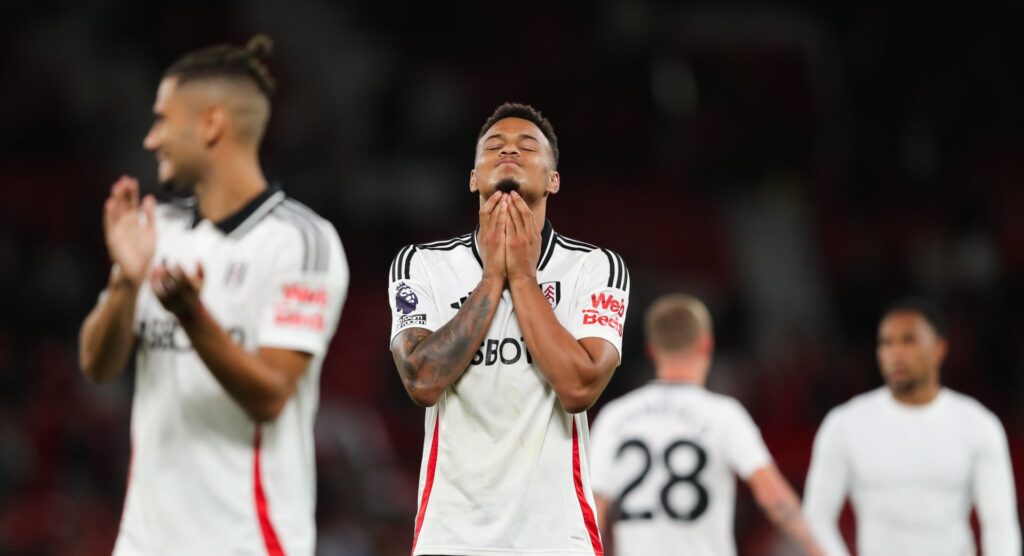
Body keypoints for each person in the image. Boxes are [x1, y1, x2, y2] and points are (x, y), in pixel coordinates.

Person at [78, 36, 348, 555]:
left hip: (249, 541)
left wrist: (192, 316)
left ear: (211, 123)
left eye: (162, 119)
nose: (152, 139)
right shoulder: (159, 230)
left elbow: (269, 396)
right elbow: (97, 365)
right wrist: (126, 283)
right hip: (143, 543)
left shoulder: (301, 242)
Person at [388, 102, 630, 555]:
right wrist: (492, 279)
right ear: (473, 178)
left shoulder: (594, 267)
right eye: (494, 146)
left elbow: (579, 387)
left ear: (553, 180)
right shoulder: (423, 264)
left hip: (556, 535)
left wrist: (522, 278)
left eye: (527, 146)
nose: (509, 152)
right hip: (452, 536)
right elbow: (421, 381)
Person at [590, 294, 824, 556]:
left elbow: (594, 509)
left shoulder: (615, 417)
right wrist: (820, 550)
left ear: (652, 349)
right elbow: (773, 495)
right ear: (706, 344)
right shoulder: (724, 415)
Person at [803, 298, 1021, 556]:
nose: (896, 353)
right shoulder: (845, 425)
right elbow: (816, 518)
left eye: (909, 341)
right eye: (886, 343)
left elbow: (1000, 524)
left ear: (939, 348)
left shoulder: (978, 426)